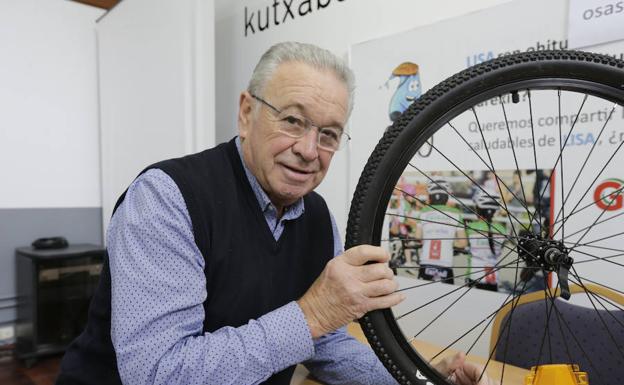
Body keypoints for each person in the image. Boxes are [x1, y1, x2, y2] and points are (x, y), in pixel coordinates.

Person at [57, 42, 495, 385]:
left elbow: (327, 349)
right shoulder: (166, 199)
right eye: (292, 120)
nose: (308, 151)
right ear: (247, 113)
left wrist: (419, 376)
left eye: (329, 134)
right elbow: (158, 374)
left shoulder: (318, 216)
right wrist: (313, 312)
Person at [416, 178, 468, 284]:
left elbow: (417, 237)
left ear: (430, 196)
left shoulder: (423, 211)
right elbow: (463, 243)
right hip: (445, 262)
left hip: (426, 261)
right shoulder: (456, 213)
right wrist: (448, 242)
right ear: (447, 196)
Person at [466, 191, 507, 292]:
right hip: (493, 279)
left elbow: (462, 244)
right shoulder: (502, 229)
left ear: (478, 209)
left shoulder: (470, 228)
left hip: (475, 276)